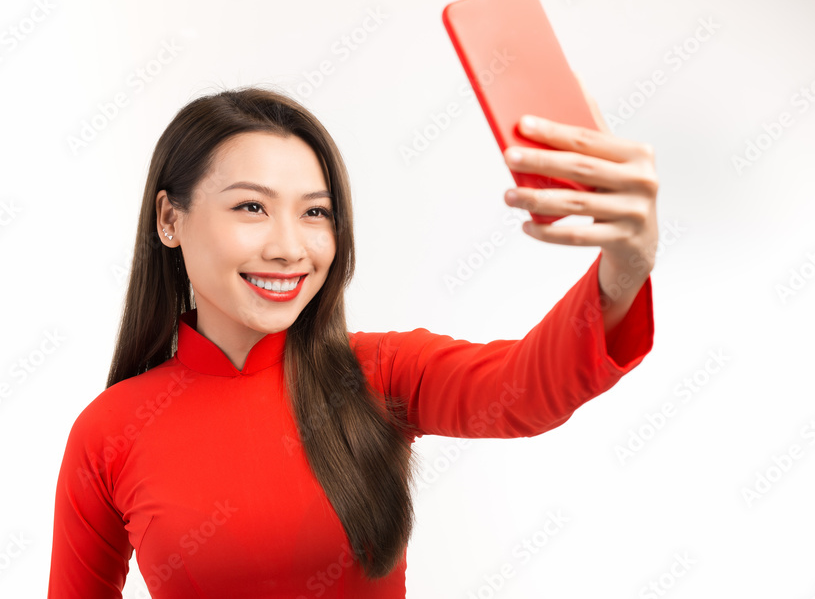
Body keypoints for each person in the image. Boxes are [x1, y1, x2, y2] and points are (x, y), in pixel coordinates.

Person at [46, 85, 657, 598]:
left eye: (315, 213)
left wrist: (623, 269)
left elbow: (524, 390)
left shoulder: (380, 373)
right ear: (169, 220)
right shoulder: (109, 433)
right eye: (252, 207)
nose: (289, 248)